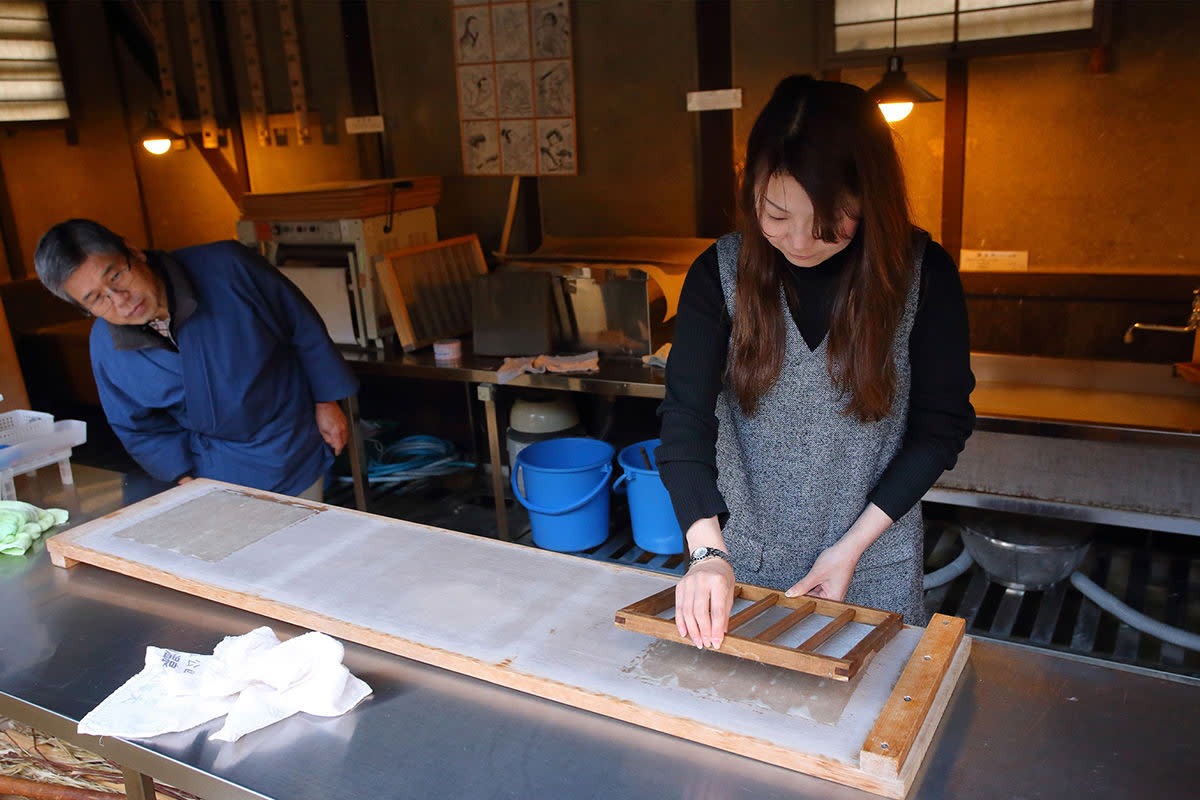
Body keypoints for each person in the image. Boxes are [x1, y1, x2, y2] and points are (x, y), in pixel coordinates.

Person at [656, 76, 975, 649]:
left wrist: (851, 548)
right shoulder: (720, 273)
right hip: (737, 565)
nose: (800, 242)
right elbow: (685, 419)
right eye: (776, 215)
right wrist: (705, 552)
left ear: (870, 198)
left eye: (829, 222)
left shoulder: (922, 275)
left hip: (872, 563)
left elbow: (940, 428)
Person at [33, 219, 358, 500]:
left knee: (308, 543)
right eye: (96, 299)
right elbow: (137, 426)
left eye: (116, 276)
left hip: (290, 437)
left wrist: (326, 400)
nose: (120, 300)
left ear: (133, 251)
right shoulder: (105, 346)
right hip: (214, 468)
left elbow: (300, 325)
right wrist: (183, 474)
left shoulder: (228, 267)